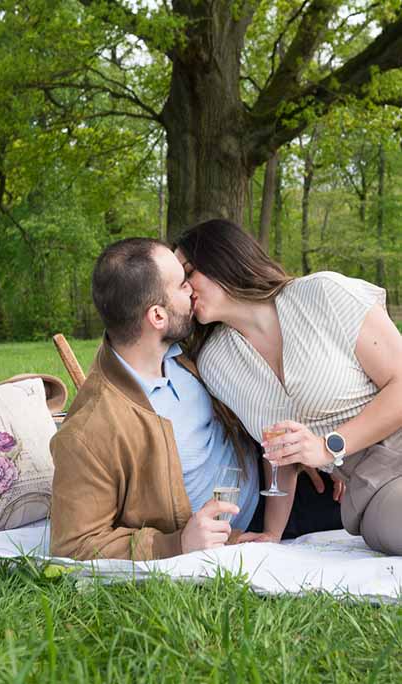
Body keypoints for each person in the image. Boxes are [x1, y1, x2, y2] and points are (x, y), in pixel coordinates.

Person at [174, 218, 402, 553]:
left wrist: (328, 446)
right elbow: (278, 450)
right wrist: (272, 533)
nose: (183, 288)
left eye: (188, 272)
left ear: (222, 257)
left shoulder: (323, 294)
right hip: (372, 483)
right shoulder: (215, 362)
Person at [50, 237, 256, 561]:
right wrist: (176, 545)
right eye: (180, 284)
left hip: (279, 481)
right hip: (245, 535)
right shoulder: (90, 431)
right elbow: (75, 544)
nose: (191, 288)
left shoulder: (182, 355)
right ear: (157, 316)